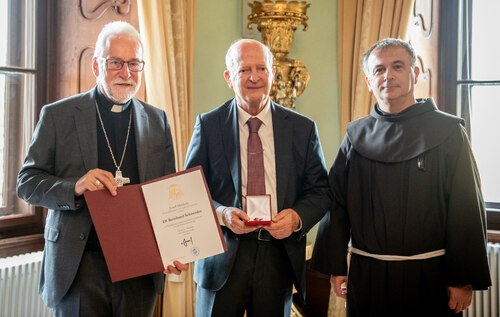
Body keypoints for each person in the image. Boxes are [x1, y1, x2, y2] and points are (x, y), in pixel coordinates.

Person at [16, 21, 187, 316]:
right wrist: (75, 187)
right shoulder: (58, 115)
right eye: (116, 62)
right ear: (96, 66)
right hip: (80, 265)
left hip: (139, 268)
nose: (126, 72)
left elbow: (166, 195)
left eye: (134, 63)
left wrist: (173, 247)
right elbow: (27, 183)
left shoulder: (158, 121)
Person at [312, 38, 491, 316]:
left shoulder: (448, 133)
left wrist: (462, 278)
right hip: (366, 275)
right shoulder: (356, 136)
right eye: (379, 69)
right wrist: (336, 267)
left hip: (431, 277)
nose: (388, 75)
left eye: (397, 66)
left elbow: (465, 206)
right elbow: (337, 204)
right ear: (369, 80)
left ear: (415, 73)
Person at [184, 38, 329, 317]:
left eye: (262, 69)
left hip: (278, 258)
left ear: (272, 74)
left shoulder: (302, 129)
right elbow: (191, 189)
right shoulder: (209, 125)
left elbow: (321, 190)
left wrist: (296, 218)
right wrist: (222, 213)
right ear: (229, 77)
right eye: (243, 70)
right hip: (222, 257)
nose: (254, 77)